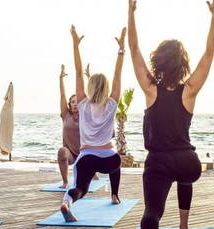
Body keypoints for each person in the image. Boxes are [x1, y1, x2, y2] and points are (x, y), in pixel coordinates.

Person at [127, 0, 214, 228]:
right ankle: (183, 225)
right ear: (183, 65)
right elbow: (209, 52)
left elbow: (134, 48)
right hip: (187, 163)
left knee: (152, 213)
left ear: (158, 63)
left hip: (158, 162)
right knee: (184, 178)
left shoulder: (150, 90)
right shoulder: (188, 91)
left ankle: (154, 220)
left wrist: (130, 11)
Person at [59, 25, 126, 222]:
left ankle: (67, 203)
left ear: (90, 88)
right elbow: (118, 74)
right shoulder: (112, 103)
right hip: (110, 158)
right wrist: (121, 49)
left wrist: (75, 45)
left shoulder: (82, 103)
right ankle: (114, 195)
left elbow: (79, 72)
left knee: (80, 189)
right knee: (116, 163)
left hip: (87, 157)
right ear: (106, 89)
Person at [57, 64, 98, 189]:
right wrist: (61, 79)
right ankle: (65, 182)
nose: (75, 104)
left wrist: (89, 78)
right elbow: (63, 96)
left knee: (93, 151)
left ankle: (93, 171)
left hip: (85, 153)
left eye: (78, 101)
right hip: (70, 154)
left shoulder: (85, 114)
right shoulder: (65, 114)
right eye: (73, 102)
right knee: (61, 152)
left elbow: (92, 98)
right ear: (69, 105)